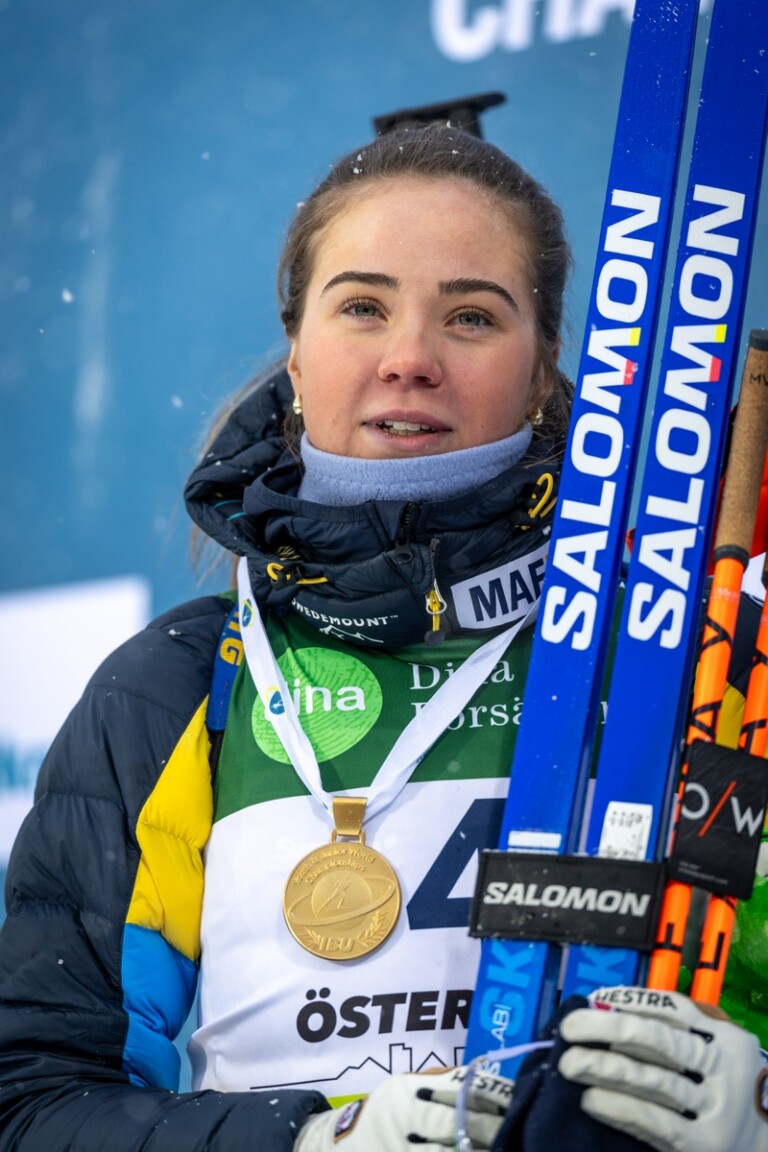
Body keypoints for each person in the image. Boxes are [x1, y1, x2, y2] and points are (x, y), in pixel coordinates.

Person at [0, 122, 765, 1152]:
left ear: (544, 371)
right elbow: (35, 1105)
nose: (410, 360)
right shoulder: (173, 689)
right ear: (297, 352)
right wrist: (308, 1141)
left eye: (470, 316)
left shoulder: (683, 660)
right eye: (363, 306)